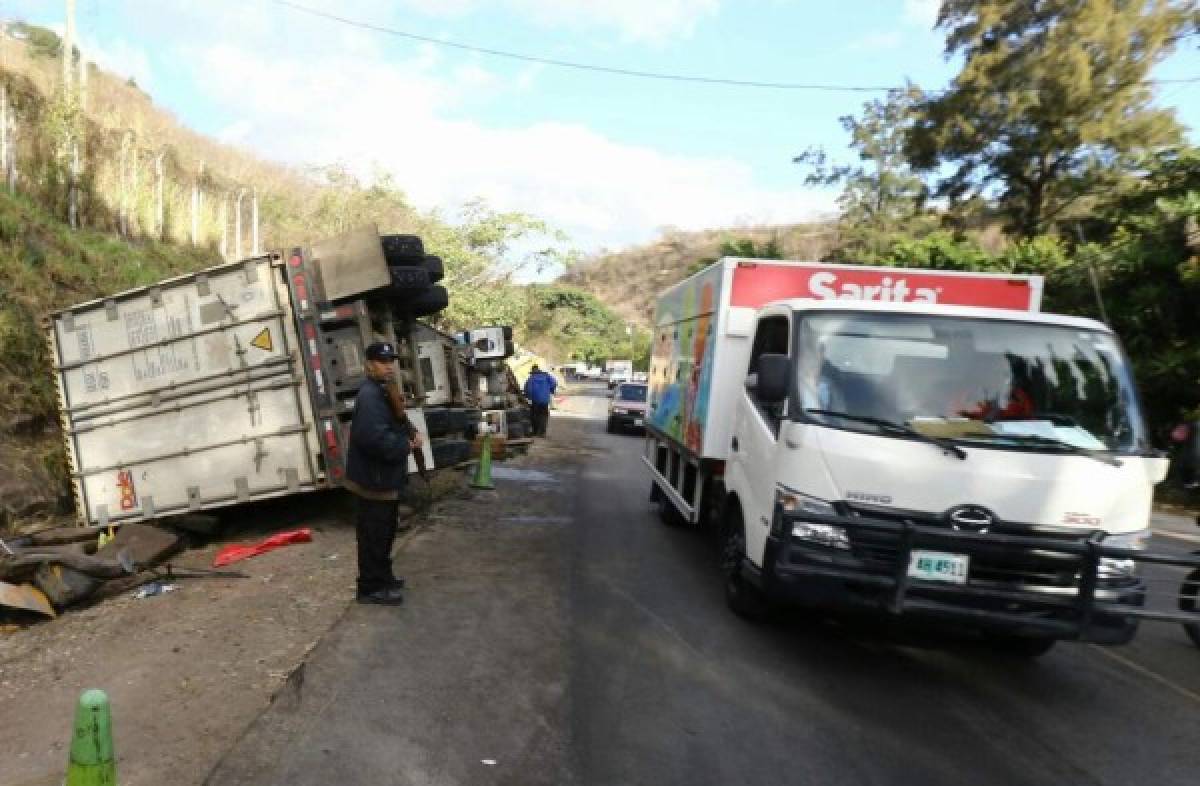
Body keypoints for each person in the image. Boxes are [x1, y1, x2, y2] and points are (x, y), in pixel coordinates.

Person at [344, 342, 423, 605]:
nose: (388, 366)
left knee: (386, 532)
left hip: (384, 480)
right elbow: (370, 437)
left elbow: (397, 417)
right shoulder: (370, 395)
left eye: (391, 361)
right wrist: (404, 445)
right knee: (373, 536)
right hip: (373, 481)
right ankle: (370, 588)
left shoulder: (383, 390)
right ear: (369, 364)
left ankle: (383, 578)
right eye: (382, 361)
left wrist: (412, 432)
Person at [523, 365, 557, 437]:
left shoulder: (531, 378)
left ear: (532, 372)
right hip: (545, 400)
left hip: (535, 401)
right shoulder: (547, 376)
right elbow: (554, 383)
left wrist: (528, 397)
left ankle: (535, 432)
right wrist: (551, 390)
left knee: (535, 416)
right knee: (544, 416)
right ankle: (542, 433)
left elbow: (528, 389)